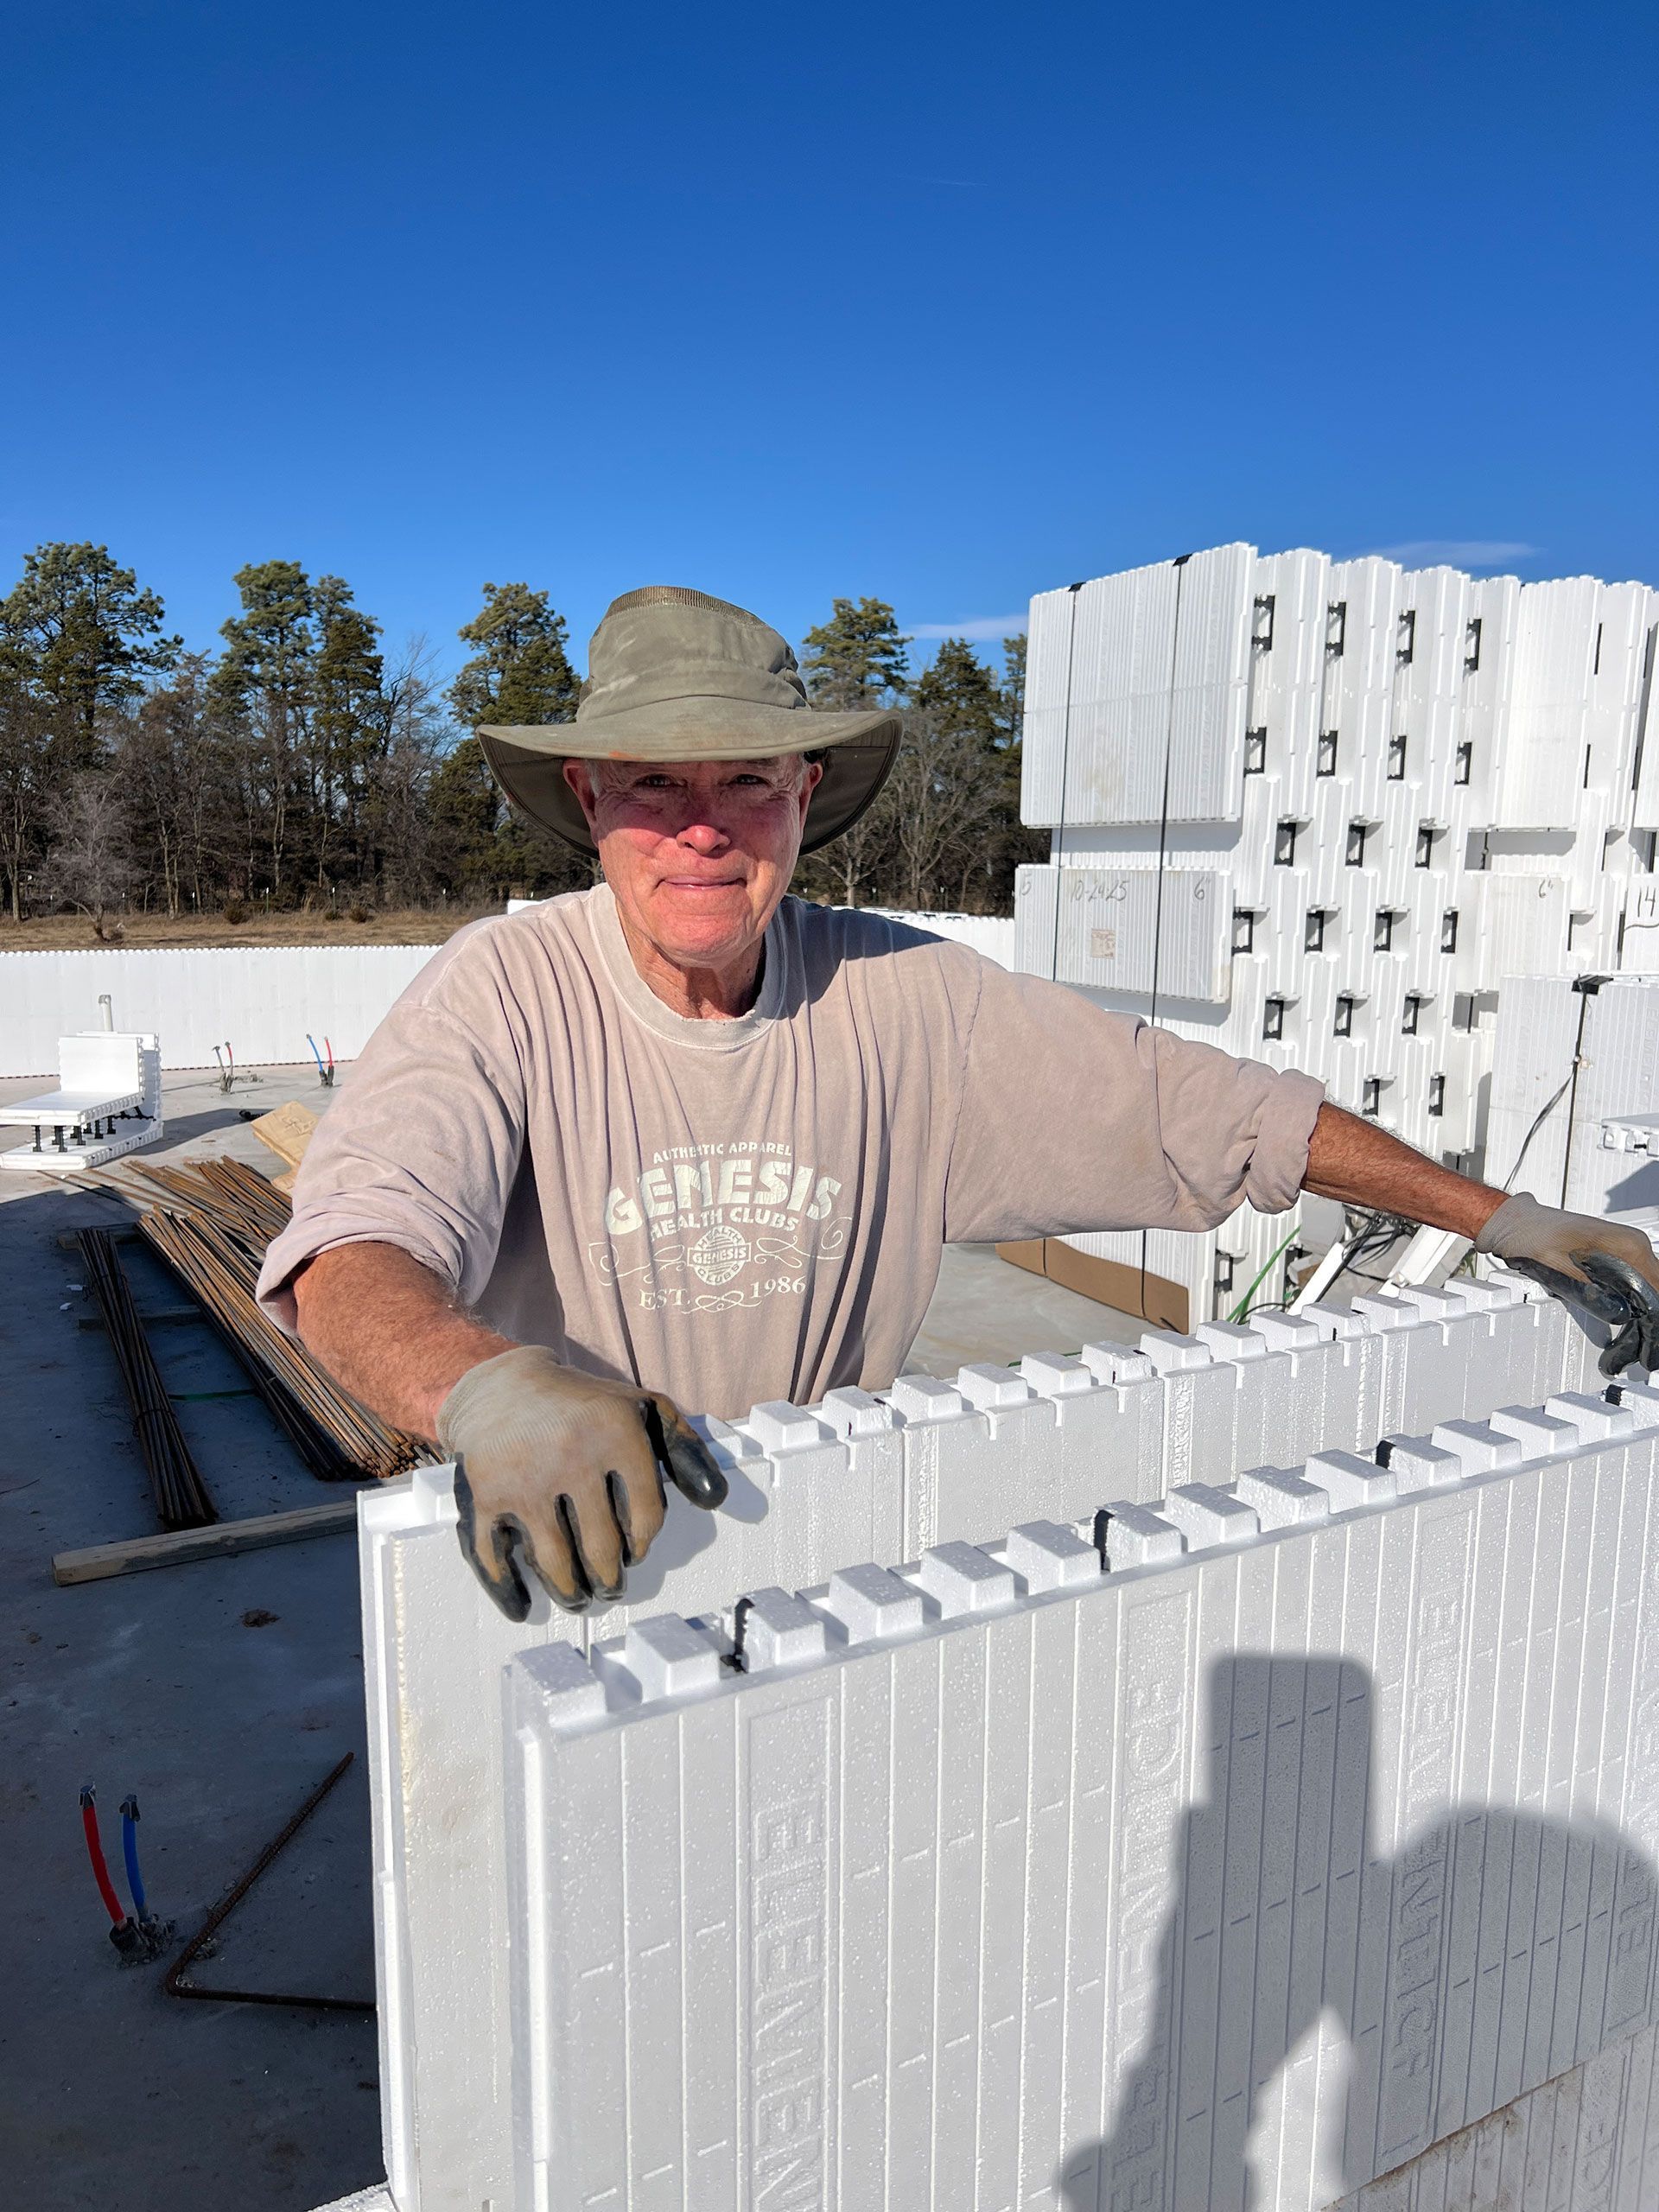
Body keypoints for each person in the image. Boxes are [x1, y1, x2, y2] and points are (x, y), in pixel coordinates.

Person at [257, 586, 1659, 1620]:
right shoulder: (501, 992)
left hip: (802, 1545)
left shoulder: (908, 1003)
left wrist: (1502, 1214)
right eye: (653, 784)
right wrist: (488, 1389)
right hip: (559, 1542)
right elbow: (350, 1254)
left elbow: (1219, 1109)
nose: (703, 826)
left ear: (807, 795)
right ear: (586, 797)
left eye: (747, 779)